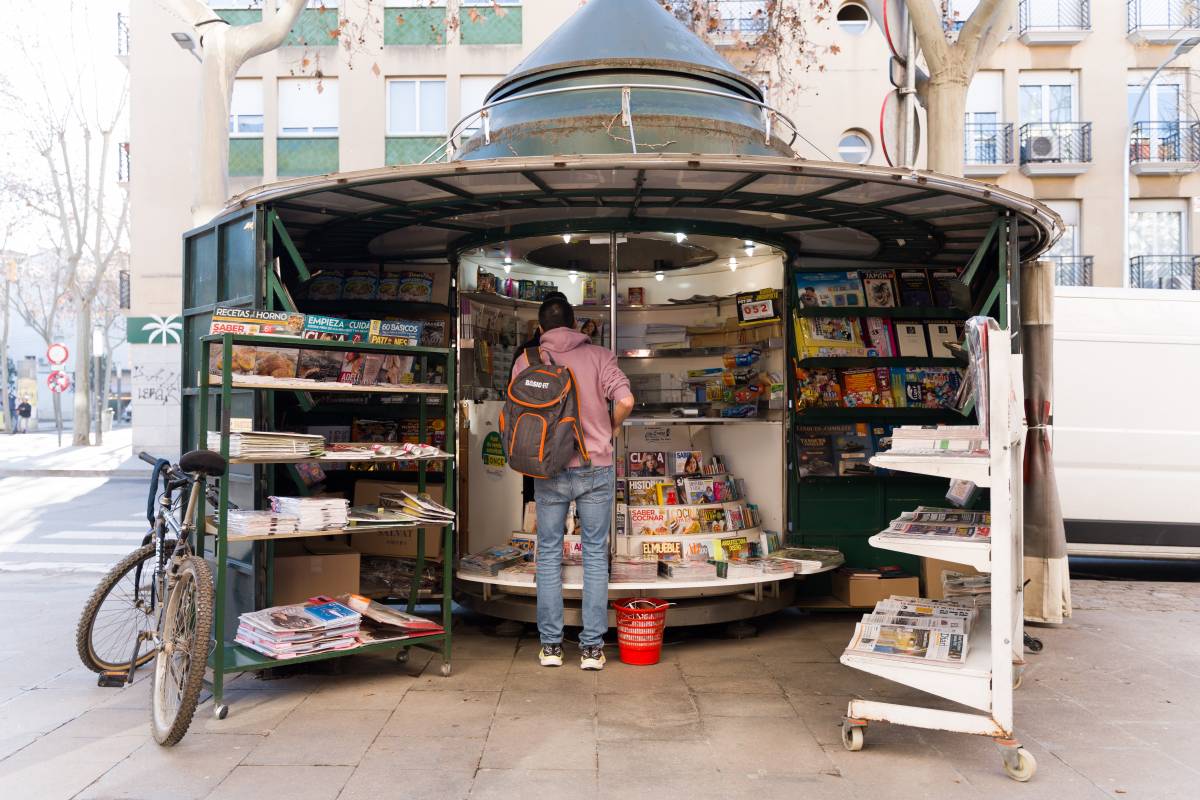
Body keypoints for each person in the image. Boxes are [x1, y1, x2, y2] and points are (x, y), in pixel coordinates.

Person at [511, 295, 634, 670]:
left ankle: (551, 646)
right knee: (595, 554)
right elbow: (626, 399)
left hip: (550, 467)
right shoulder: (599, 355)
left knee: (548, 553)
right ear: (576, 324)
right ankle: (593, 649)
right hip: (595, 465)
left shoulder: (527, 360)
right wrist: (609, 430)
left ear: (540, 327)